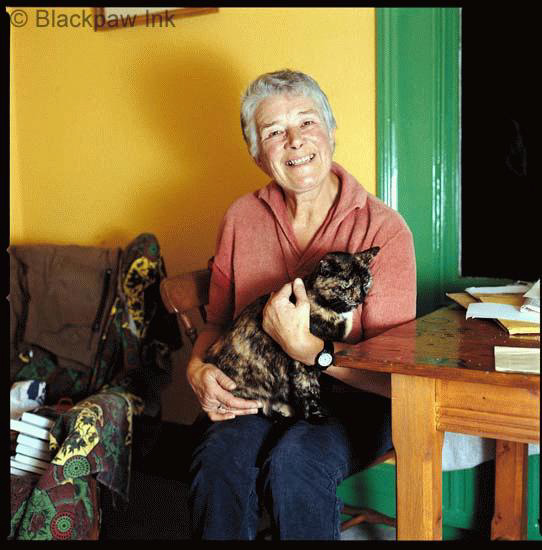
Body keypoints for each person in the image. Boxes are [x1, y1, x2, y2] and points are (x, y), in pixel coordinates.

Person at [186, 69, 416, 540]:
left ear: (330, 130)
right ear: (258, 153)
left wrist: (307, 349)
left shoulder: (383, 229)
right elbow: (217, 323)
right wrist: (196, 369)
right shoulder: (240, 217)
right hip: (262, 393)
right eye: (274, 131)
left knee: (296, 462)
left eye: (307, 122)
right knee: (218, 462)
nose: (294, 140)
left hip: (354, 402)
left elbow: (394, 378)